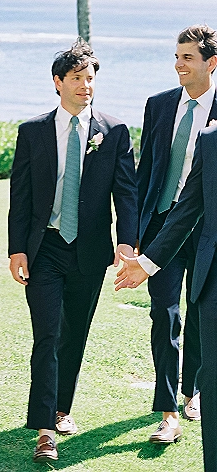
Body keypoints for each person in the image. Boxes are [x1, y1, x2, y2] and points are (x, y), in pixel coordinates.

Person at [8, 39, 138, 463]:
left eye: (90, 78)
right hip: (44, 247)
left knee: (74, 334)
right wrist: (17, 249)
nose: (86, 85)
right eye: (77, 78)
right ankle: (45, 429)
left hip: (90, 250)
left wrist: (126, 240)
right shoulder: (32, 132)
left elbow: (127, 193)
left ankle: (61, 408)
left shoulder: (114, 132)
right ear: (58, 82)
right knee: (47, 334)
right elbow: (21, 196)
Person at [115, 121, 217, 472]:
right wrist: (146, 260)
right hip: (210, 278)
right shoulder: (208, 138)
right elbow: (185, 206)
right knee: (212, 383)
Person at [136, 25, 217, 442]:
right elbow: (146, 169)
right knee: (163, 313)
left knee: (201, 314)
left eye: (188, 57)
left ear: (211, 63)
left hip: (208, 232)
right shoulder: (159, 104)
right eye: (176, 56)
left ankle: (193, 392)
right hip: (161, 226)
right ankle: (167, 410)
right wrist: (135, 231)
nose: (179, 65)